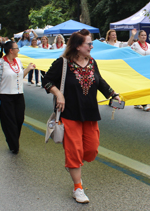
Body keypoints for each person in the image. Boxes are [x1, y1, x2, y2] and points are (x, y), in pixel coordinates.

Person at [43, 29, 121, 204]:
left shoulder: (92, 62)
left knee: (91, 150)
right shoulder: (63, 63)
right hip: (70, 115)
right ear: (78, 46)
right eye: (89, 43)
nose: (92, 46)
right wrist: (58, 94)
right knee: (74, 151)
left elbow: (99, 81)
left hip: (90, 113)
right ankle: (78, 187)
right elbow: (46, 80)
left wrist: (113, 94)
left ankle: (74, 164)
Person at [0, 41, 35, 153]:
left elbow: (21, 75)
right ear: (11, 50)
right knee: (9, 122)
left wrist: (29, 68)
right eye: (17, 48)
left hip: (18, 95)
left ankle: (13, 140)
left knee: (19, 119)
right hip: (5, 96)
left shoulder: (18, 61)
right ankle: (13, 145)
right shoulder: (0, 62)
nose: (18, 50)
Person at [130, 29, 150, 111]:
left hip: (147, 69)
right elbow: (130, 54)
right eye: (142, 35)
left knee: (146, 86)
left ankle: (139, 103)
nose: (144, 37)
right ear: (139, 36)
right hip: (138, 68)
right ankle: (143, 104)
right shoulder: (135, 45)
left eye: (145, 35)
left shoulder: (149, 45)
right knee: (139, 86)